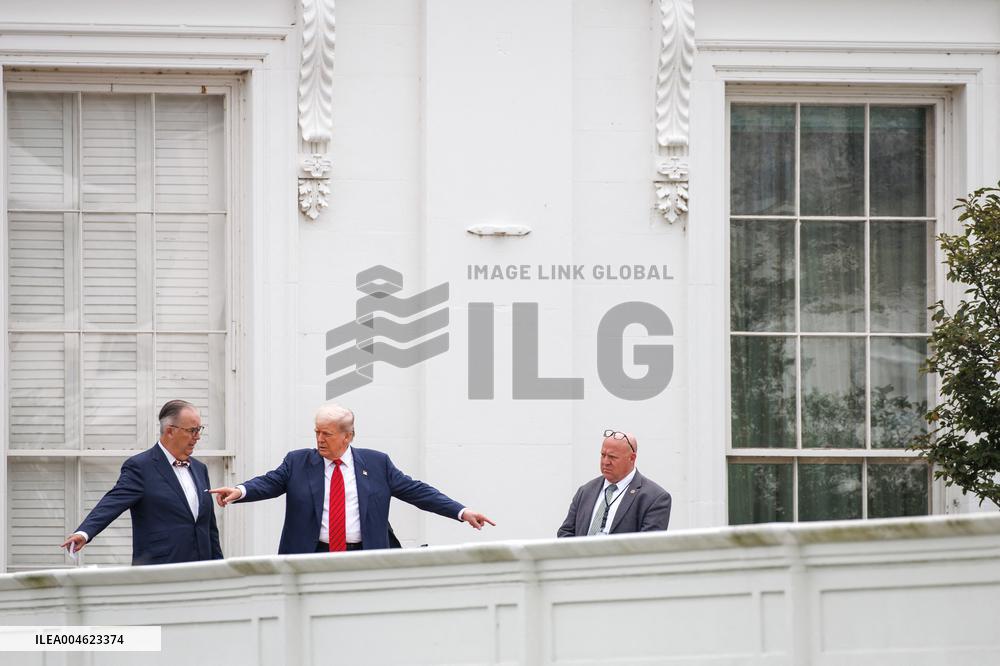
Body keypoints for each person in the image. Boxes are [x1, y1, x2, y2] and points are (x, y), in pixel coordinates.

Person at [209, 403, 494, 553]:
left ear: (348, 436)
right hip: (311, 555)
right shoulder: (298, 462)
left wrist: (461, 511)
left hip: (364, 555)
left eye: (327, 434)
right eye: (317, 432)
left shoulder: (377, 463)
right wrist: (240, 491)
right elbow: (269, 482)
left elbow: (417, 492)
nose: (319, 440)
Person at [60, 400, 223, 565]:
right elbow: (113, 502)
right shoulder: (140, 467)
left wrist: (219, 567)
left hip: (203, 569)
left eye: (199, 430)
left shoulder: (199, 468)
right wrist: (85, 533)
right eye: (192, 430)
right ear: (170, 431)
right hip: (160, 570)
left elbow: (209, 526)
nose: (198, 437)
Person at [557, 429, 671, 537]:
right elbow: (565, 532)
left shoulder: (655, 498)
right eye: (603, 455)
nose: (605, 462)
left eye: (612, 457)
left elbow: (648, 545)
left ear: (632, 458)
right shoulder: (585, 491)